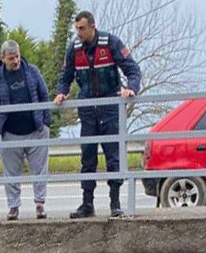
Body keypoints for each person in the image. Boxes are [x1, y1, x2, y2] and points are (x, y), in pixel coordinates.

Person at [54, 10, 141, 218]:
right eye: (76, 29)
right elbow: (65, 76)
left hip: (110, 106)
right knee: (88, 157)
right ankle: (87, 203)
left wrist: (131, 88)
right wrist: (61, 92)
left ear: (92, 27)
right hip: (87, 108)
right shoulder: (73, 49)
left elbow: (133, 70)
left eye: (82, 28)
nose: (78, 33)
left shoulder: (110, 43)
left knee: (113, 155)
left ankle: (115, 203)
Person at [0, 41, 51, 220]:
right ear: (3, 59)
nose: (15, 60)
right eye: (11, 58)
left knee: (39, 169)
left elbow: (44, 95)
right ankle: (13, 207)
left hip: (35, 129)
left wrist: (46, 122)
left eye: (17, 56)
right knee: (11, 173)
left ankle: (40, 204)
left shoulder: (32, 71)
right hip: (10, 132)